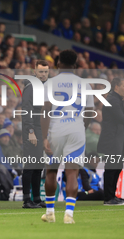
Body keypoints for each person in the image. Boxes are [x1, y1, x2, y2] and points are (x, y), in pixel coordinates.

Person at [40, 50, 94, 224]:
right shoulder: (85, 84)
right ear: (76, 65)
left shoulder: (50, 83)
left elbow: (45, 112)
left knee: (51, 170)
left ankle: (50, 213)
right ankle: (69, 214)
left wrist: (44, 137)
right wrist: (81, 128)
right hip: (76, 129)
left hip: (56, 129)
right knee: (72, 173)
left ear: (58, 63)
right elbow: (89, 113)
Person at [97, 77, 124, 205]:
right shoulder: (112, 100)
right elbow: (122, 118)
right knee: (111, 168)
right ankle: (108, 198)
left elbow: (123, 118)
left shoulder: (115, 100)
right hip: (111, 141)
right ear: (116, 87)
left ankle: (112, 196)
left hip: (116, 140)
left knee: (117, 167)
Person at [22, 60, 49, 208]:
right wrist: (30, 131)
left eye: (46, 72)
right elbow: (26, 110)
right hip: (31, 129)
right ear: (35, 72)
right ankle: (27, 200)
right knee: (31, 164)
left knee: (39, 165)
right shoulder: (31, 87)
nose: (43, 74)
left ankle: (36, 198)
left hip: (39, 129)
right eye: (41, 72)